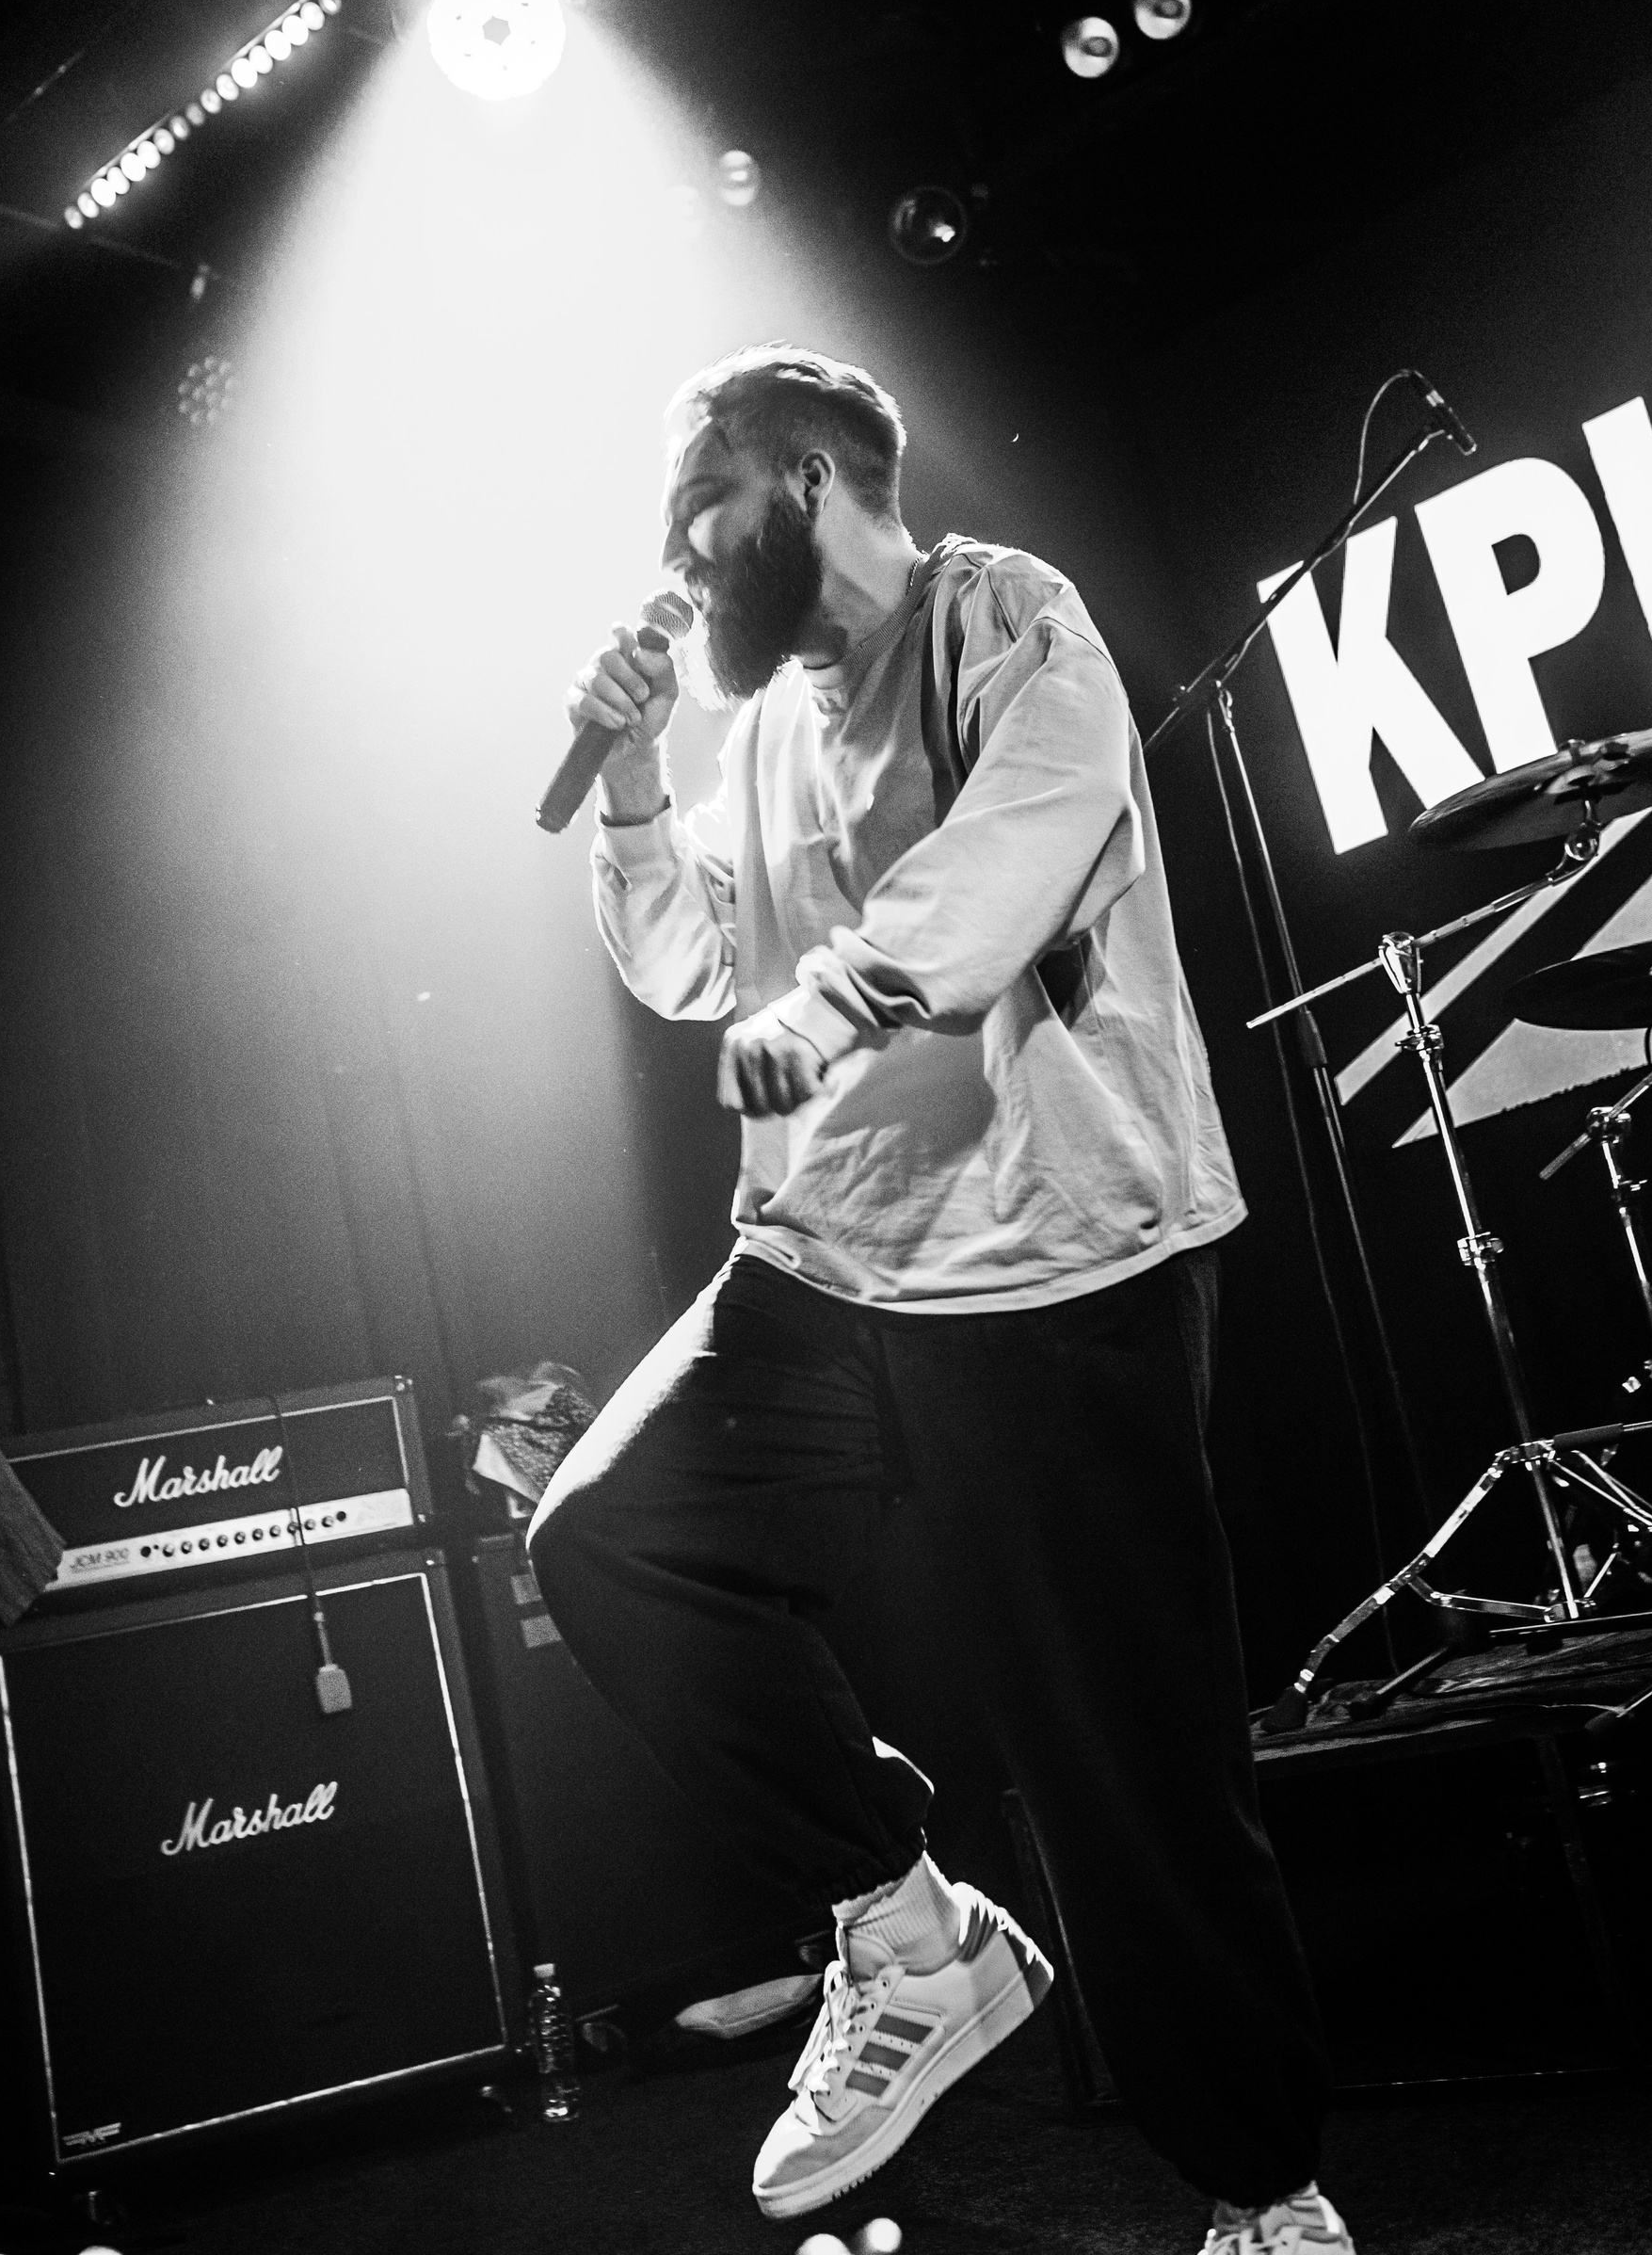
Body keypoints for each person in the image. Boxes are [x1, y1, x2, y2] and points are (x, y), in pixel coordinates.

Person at [528, 345, 1347, 2252]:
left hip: (1055, 1268)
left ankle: (1265, 2193)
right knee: (615, 1545)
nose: (678, 556)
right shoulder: (762, 731)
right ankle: (908, 1928)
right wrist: (635, 787)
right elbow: (690, 962)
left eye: (700, 509)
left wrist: (831, 1002)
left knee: (1128, 1768)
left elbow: (1020, 849)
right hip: (829, 1262)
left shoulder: (1007, 619)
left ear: (809, 479)